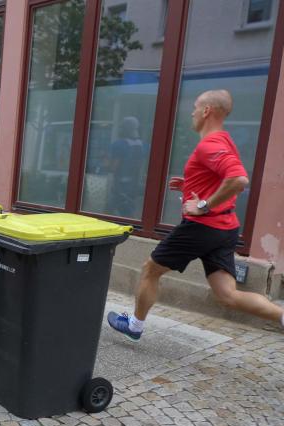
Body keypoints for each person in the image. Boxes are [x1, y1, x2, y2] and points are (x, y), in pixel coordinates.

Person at [107, 90, 284, 340]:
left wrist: (203, 205)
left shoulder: (210, 144)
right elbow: (223, 178)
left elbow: (238, 179)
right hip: (225, 228)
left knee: (150, 269)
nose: (192, 113)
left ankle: (134, 326)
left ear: (206, 110)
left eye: (195, 108)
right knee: (227, 295)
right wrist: (193, 185)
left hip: (202, 226)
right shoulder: (225, 140)